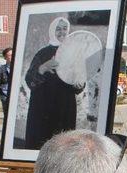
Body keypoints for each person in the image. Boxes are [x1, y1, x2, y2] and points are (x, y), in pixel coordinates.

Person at [24, 17, 85, 150]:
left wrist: (79, 84)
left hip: (65, 107)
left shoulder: (73, 53)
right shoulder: (42, 53)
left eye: (64, 28)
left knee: (63, 146)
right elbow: (29, 80)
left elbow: (78, 83)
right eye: (58, 29)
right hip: (43, 106)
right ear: (52, 31)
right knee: (42, 142)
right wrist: (43, 67)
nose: (62, 32)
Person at [0, 47, 13, 117]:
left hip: (16, 96)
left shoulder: (19, 68)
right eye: (10, 55)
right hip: (5, 96)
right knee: (7, 116)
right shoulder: (0, 70)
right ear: (5, 57)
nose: (12, 56)